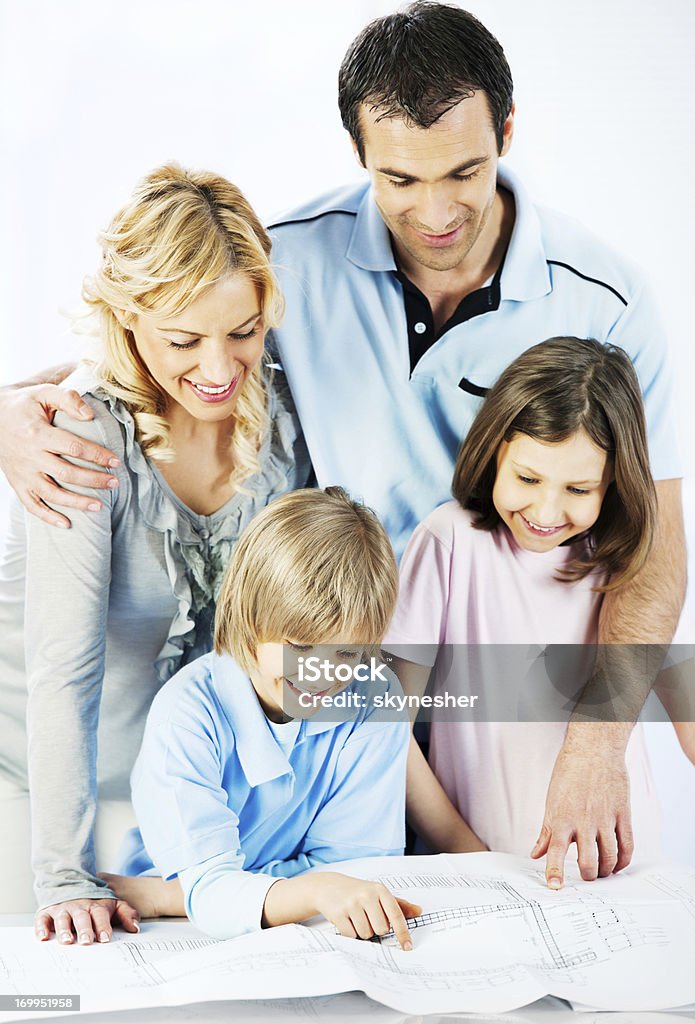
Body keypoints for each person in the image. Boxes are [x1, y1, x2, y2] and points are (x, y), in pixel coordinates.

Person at [0, 3, 686, 886]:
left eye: (465, 172)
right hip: (342, 694)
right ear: (356, 151)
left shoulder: (609, 302)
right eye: (399, 179)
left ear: (508, 132)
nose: (435, 212)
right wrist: (15, 409)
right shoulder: (292, 259)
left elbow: (657, 550)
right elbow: (175, 343)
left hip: (501, 697)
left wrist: (596, 750)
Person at [0, 164, 311, 941]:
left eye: (242, 332)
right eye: (183, 340)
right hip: (33, 788)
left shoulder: (281, 422)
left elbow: (295, 639)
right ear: (129, 319)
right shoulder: (79, 434)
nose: (216, 369)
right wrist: (64, 878)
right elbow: (63, 673)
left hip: (171, 794)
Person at [383, 337, 693, 877]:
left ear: (614, 481)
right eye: (528, 478)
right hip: (484, 868)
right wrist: (469, 856)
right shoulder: (450, 542)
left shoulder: (626, 564)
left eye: (578, 488)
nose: (547, 510)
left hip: (626, 874)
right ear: (494, 451)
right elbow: (389, 728)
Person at [100, 487, 418, 946]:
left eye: (346, 652)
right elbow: (213, 897)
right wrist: (308, 885)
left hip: (229, 912)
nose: (321, 673)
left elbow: (357, 870)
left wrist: (176, 894)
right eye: (300, 647)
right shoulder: (187, 713)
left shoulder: (373, 696)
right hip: (148, 926)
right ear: (250, 619)